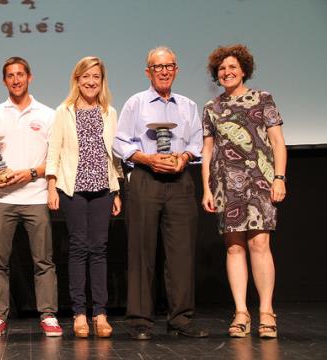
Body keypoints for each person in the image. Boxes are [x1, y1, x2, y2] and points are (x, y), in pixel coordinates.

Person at [113, 46, 208, 340]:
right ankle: (140, 320)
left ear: (176, 70)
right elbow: (120, 143)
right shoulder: (136, 103)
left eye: (169, 66)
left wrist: (183, 157)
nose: (164, 71)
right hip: (145, 179)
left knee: (181, 253)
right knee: (141, 251)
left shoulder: (189, 106)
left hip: (180, 181)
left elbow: (197, 143)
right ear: (148, 72)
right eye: (158, 67)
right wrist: (146, 158)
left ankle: (181, 319)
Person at [201, 44, 287, 339]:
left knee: (260, 245)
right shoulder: (211, 108)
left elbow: (277, 142)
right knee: (234, 247)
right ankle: (241, 312)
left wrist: (279, 178)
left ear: (243, 70)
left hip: (260, 182)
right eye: (222, 69)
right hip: (226, 184)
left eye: (232, 67)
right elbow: (207, 151)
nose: (226, 72)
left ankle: (266, 312)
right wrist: (206, 189)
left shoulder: (263, 99)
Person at [0, 56, 62, 338]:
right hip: (1, 198)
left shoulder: (48, 114)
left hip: (36, 196)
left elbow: (55, 158)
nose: (16, 80)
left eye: (20, 74)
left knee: (43, 260)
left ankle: (49, 314)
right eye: (10, 75)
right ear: (4, 81)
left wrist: (31, 173)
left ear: (30, 77)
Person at [46, 56, 122, 338]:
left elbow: (113, 154)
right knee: (79, 248)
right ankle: (79, 313)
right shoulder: (63, 111)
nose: (91, 82)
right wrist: (52, 185)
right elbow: (54, 149)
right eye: (85, 77)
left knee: (99, 248)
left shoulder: (109, 112)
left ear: (102, 82)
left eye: (96, 77)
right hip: (73, 187)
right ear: (76, 80)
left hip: (103, 187)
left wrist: (116, 190)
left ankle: (100, 313)